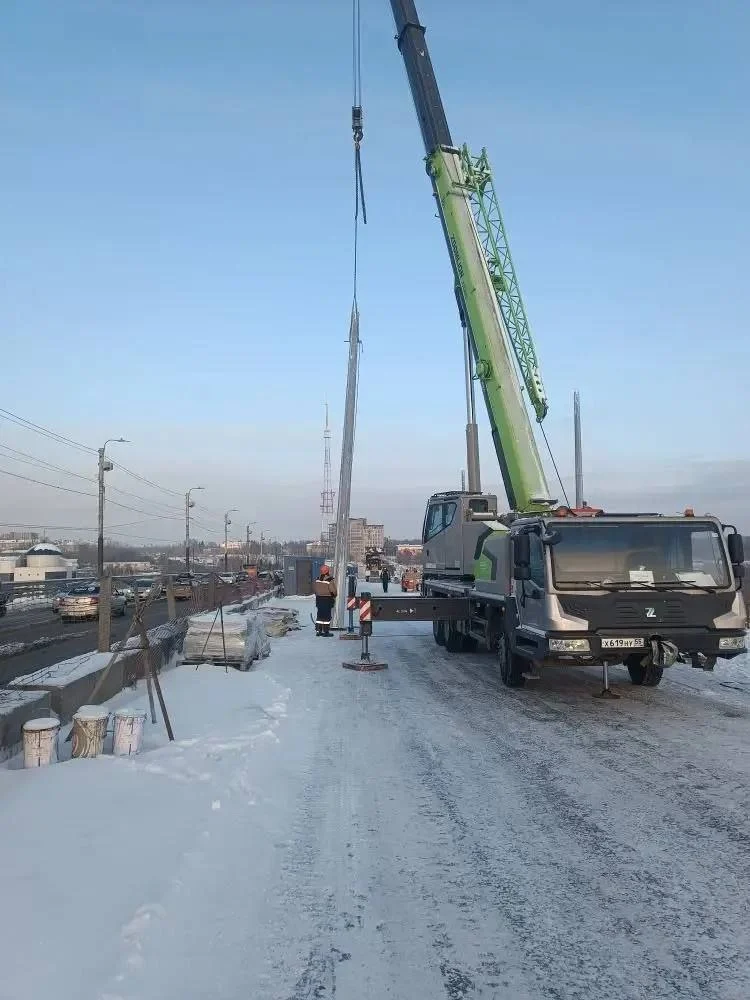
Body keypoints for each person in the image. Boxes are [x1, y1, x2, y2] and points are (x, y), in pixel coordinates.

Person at [313, 565, 337, 636]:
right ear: (327, 571)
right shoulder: (329, 580)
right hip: (327, 599)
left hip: (319, 599)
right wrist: (334, 596)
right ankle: (326, 631)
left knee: (320, 615)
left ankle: (318, 631)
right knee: (326, 615)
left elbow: (315, 589)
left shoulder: (317, 579)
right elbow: (333, 591)